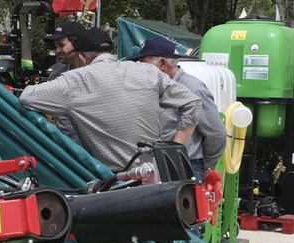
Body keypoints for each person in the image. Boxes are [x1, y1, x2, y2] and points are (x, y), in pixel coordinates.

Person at [19, 23, 206, 171]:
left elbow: (27, 97)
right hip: (157, 173)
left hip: (115, 181)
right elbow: (193, 102)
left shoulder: (75, 80)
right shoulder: (148, 72)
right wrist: (175, 148)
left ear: (82, 58)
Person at [129, 37, 227, 180]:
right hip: (156, 164)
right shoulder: (154, 87)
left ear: (162, 64)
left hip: (187, 166)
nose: (140, 68)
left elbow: (216, 133)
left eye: (144, 64)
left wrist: (206, 167)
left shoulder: (192, 87)